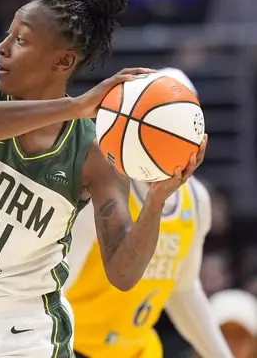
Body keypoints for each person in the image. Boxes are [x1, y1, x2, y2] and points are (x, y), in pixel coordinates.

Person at [0, 0, 207, 358]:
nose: (2, 47)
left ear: (62, 62)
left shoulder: (92, 152)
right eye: (8, 34)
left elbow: (123, 275)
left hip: (23, 331)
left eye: (21, 40)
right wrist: (73, 107)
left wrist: (155, 201)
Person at [64, 71, 231, 358]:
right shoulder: (107, 189)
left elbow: (183, 290)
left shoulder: (197, 200)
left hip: (139, 350)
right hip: (77, 346)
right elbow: (59, 284)